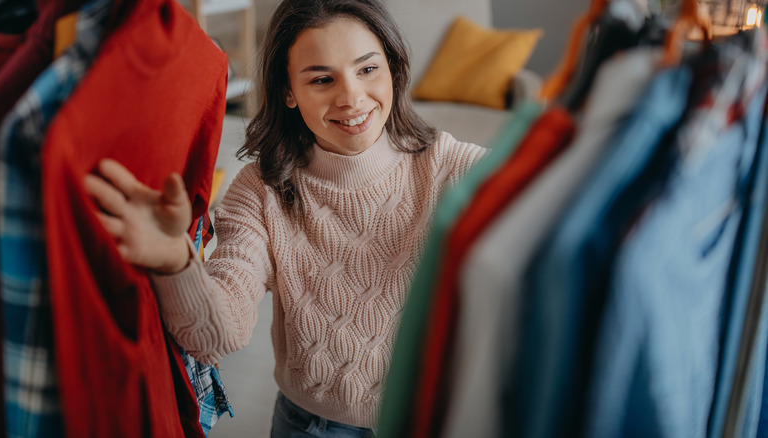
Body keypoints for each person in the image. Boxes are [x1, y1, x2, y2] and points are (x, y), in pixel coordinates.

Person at [84, 0, 486, 436]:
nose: (351, 97)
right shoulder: (260, 191)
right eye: (322, 79)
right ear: (288, 91)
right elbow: (216, 337)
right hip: (312, 426)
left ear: (392, 68)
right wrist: (174, 263)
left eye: (368, 69)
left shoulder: (453, 167)